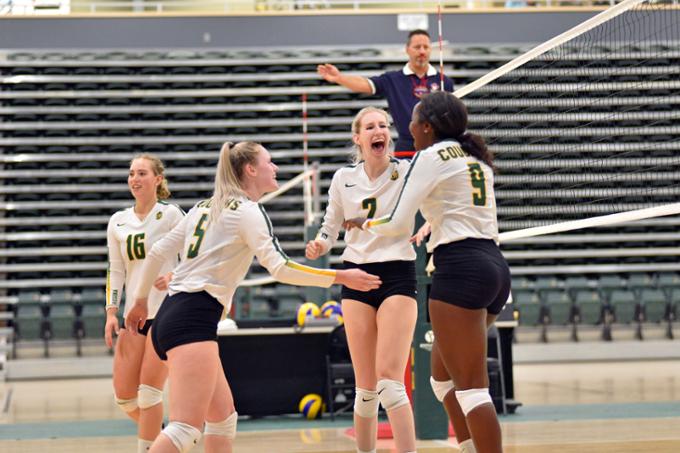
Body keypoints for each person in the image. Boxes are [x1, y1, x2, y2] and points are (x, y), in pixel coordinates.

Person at [124, 141, 381, 453]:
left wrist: (138, 301)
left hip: (172, 315)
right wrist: (341, 276)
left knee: (222, 419)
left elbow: (156, 252)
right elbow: (281, 268)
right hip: (192, 320)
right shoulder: (248, 211)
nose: (275, 169)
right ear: (250, 169)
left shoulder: (203, 207)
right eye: (269, 162)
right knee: (185, 428)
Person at [346, 91, 511, 453]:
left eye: (414, 119)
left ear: (427, 127)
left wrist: (364, 221)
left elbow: (397, 223)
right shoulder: (474, 157)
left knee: (472, 390)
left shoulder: (431, 156)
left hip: (461, 270)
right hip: (495, 268)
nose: (407, 126)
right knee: (442, 379)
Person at [305, 107, 418, 453]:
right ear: (358, 138)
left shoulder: (408, 171)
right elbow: (331, 224)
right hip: (356, 275)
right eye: (370, 127)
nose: (378, 130)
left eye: (383, 125)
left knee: (390, 380)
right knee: (366, 388)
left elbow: (435, 199)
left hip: (397, 272)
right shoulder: (344, 178)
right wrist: (321, 243)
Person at [105, 154, 184, 452]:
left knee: (149, 394)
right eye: (131, 174)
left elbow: (196, 256)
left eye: (142, 173)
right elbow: (115, 270)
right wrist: (111, 312)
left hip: (166, 313)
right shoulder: (118, 221)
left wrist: (174, 276)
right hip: (132, 317)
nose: (135, 179)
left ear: (158, 179)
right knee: (125, 396)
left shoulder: (173, 215)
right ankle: (170, 437)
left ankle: (154, 446)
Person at [317, 29, 454, 153]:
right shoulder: (392, 79)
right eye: (417, 47)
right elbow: (366, 84)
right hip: (406, 147)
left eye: (426, 47)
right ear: (407, 49)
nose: (422, 51)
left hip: (436, 146)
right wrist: (339, 78)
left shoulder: (444, 81)